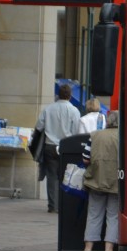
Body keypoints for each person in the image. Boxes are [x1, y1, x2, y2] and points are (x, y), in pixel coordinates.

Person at [79, 111, 120, 251]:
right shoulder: (123, 137)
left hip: (96, 180)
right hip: (116, 182)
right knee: (113, 216)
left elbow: (85, 159)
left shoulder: (95, 135)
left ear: (107, 121)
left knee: (94, 214)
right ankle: (108, 250)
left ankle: (87, 249)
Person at [35, 83, 80, 213]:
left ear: (58, 95)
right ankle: (62, 204)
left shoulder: (48, 109)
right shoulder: (74, 110)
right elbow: (76, 130)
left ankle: (52, 205)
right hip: (66, 146)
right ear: (70, 96)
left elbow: (39, 126)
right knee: (65, 176)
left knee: (51, 176)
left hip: (49, 145)